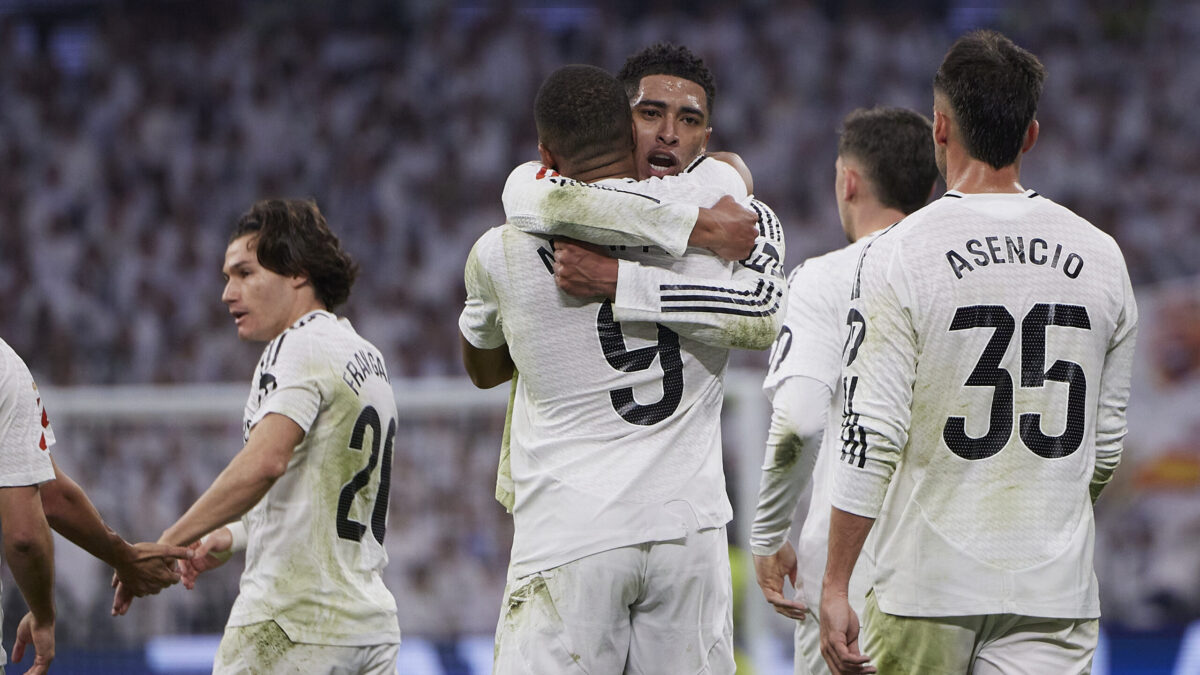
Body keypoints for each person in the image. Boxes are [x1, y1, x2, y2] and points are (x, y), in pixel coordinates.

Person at [820, 30, 1138, 674]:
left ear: (939, 128)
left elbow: (872, 434)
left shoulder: (900, 252)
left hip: (926, 584)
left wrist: (835, 582)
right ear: (1030, 135)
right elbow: (1104, 447)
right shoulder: (1103, 256)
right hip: (1054, 589)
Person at [460, 64, 786, 674]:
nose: (667, 135)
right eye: (651, 115)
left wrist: (599, 287)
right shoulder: (724, 235)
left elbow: (483, 369)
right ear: (624, 125)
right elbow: (762, 310)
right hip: (688, 532)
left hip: (571, 529)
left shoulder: (500, 248)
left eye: (686, 121)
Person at [115, 199, 402, 673]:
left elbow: (265, 462)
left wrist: (167, 541)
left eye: (245, 273)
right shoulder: (365, 354)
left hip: (292, 622)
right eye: (228, 277)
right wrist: (232, 533)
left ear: (297, 273)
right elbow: (320, 491)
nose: (229, 293)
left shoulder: (296, 344)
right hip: (367, 626)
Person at [751, 106, 938, 675]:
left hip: (855, 579)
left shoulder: (825, 278)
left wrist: (768, 533)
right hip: (960, 571)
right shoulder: (956, 277)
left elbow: (801, 420)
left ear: (848, 180)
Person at [0, 340, 189, 674]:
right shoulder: (4, 368)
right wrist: (43, 616)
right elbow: (24, 536)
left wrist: (123, 556)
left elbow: (48, 490)